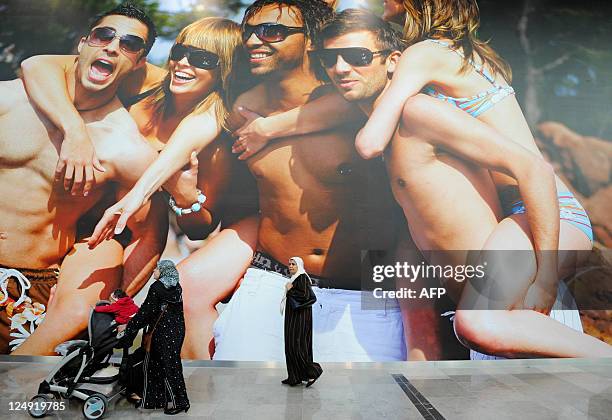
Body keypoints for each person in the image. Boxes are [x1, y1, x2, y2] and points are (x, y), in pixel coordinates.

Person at [307, 8, 612, 358]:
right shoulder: (452, 60)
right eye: (327, 59)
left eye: (357, 56)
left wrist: (544, 279)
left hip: (541, 211)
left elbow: (535, 169)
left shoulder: (419, 91)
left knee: (478, 323)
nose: (340, 68)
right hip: (517, 227)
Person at [194, 0, 439, 362]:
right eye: (249, 31)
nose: (253, 41)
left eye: (272, 31)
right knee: (240, 402)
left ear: (311, 40)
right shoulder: (244, 106)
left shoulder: (355, 95)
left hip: (362, 289)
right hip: (273, 283)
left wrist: (271, 127)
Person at [20, 16, 259, 359]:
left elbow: (200, 227)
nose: (183, 64)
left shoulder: (216, 143)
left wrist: (184, 193)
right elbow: (37, 65)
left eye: (203, 59)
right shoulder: (146, 83)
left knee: (81, 318)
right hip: (70, 210)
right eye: (180, 51)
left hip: (123, 234)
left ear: (225, 70)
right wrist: (74, 131)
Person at [2, 3, 167, 356]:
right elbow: (34, 64)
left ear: (139, 63)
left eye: (129, 44)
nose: (112, 47)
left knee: (17, 401)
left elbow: (150, 234)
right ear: (82, 43)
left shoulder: (126, 148)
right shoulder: (11, 99)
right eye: (104, 35)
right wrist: (74, 131)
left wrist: (112, 303)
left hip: (30, 289)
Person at [122, 260, 189, 414]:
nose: (153, 271)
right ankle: (159, 400)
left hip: (162, 332)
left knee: (165, 366)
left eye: (156, 268)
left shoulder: (157, 287)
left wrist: (130, 327)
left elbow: (146, 311)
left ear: (163, 271)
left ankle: (180, 402)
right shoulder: (176, 287)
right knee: (160, 365)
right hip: (177, 331)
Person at [283, 257, 323, 387]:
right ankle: (295, 377)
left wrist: (290, 289)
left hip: (299, 319)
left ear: (299, 265)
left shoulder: (302, 278)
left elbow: (305, 296)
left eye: (293, 264)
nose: (290, 266)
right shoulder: (295, 279)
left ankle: (313, 372)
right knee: (290, 346)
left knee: (297, 346)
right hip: (293, 317)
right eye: (289, 264)